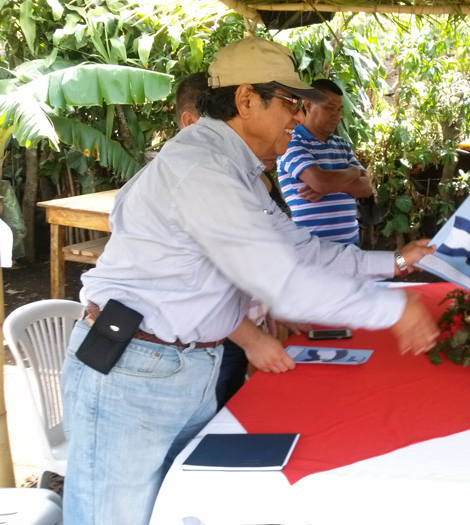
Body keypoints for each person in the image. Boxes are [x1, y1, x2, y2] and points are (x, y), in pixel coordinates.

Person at [61, 37, 439, 525]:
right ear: (244, 100)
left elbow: (299, 248)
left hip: (178, 364)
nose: (297, 118)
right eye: (289, 103)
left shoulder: (232, 170)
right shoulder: (202, 169)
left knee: (177, 508)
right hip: (132, 369)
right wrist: (394, 309)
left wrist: (392, 263)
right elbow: (281, 280)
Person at [175, 72, 296, 407]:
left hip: (235, 336)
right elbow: (196, 285)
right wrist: (252, 338)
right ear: (190, 122)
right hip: (201, 344)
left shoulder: (247, 177)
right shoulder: (190, 181)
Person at [277, 78, 373, 245]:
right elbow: (320, 182)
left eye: (339, 109)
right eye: (329, 108)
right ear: (308, 106)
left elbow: (366, 188)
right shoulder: (292, 142)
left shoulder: (341, 145)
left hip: (351, 248)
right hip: (313, 252)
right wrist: (353, 172)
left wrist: (330, 185)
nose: (336, 116)